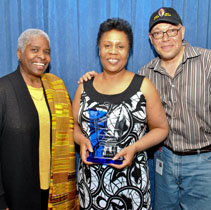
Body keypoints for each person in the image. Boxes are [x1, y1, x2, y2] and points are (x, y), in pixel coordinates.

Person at [79, 7, 211, 210]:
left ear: (182, 32)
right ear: (151, 39)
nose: (165, 38)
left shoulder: (209, 62)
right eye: (158, 33)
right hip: (165, 163)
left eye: (171, 31)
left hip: (204, 162)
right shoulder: (146, 74)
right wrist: (92, 81)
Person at [72, 18, 169, 210]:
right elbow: (73, 126)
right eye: (107, 45)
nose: (113, 52)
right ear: (99, 49)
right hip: (91, 185)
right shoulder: (84, 87)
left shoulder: (143, 86)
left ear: (129, 51)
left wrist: (135, 147)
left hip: (131, 187)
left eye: (120, 46)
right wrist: (81, 141)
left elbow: (161, 129)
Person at [0, 29, 78, 210]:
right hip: (16, 193)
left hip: (53, 190)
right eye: (34, 50)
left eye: (46, 52)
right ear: (19, 53)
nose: (42, 56)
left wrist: (91, 83)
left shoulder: (56, 87)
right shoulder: (1, 91)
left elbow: (73, 128)